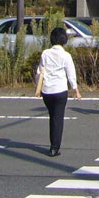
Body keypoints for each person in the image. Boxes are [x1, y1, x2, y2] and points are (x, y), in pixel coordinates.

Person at [34, 26, 82, 157]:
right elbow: (71, 74)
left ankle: (53, 145)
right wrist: (76, 90)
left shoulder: (45, 53)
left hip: (47, 90)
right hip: (60, 90)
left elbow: (39, 72)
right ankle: (54, 147)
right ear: (64, 40)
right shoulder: (66, 55)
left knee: (52, 117)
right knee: (58, 118)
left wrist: (37, 87)